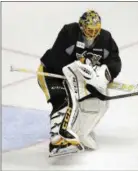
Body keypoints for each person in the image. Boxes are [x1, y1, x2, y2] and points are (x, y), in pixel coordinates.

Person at [37, 10, 122, 157]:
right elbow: (58, 59)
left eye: (96, 30)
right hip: (52, 73)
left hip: (78, 77)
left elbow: (114, 61)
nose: (93, 34)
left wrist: (104, 73)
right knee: (62, 100)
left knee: (97, 102)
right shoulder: (69, 32)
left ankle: (80, 132)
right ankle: (57, 141)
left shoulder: (106, 38)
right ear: (82, 27)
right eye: (89, 30)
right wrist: (81, 68)